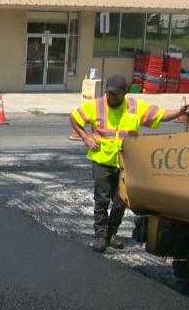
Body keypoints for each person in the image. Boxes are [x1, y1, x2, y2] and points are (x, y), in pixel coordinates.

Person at [70, 75, 188, 253]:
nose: (110, 97)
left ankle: (110, 234)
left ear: (124, 93)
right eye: (109, 93)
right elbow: (74, 118)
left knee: (121, 202)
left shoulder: (134, 107)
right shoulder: (97, 105)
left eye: (115, 94)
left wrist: (179, 112)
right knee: (101, 200)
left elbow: (160, 115)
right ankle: (100, 236)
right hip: (102, 161)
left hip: (126, 164)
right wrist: (85, 137)